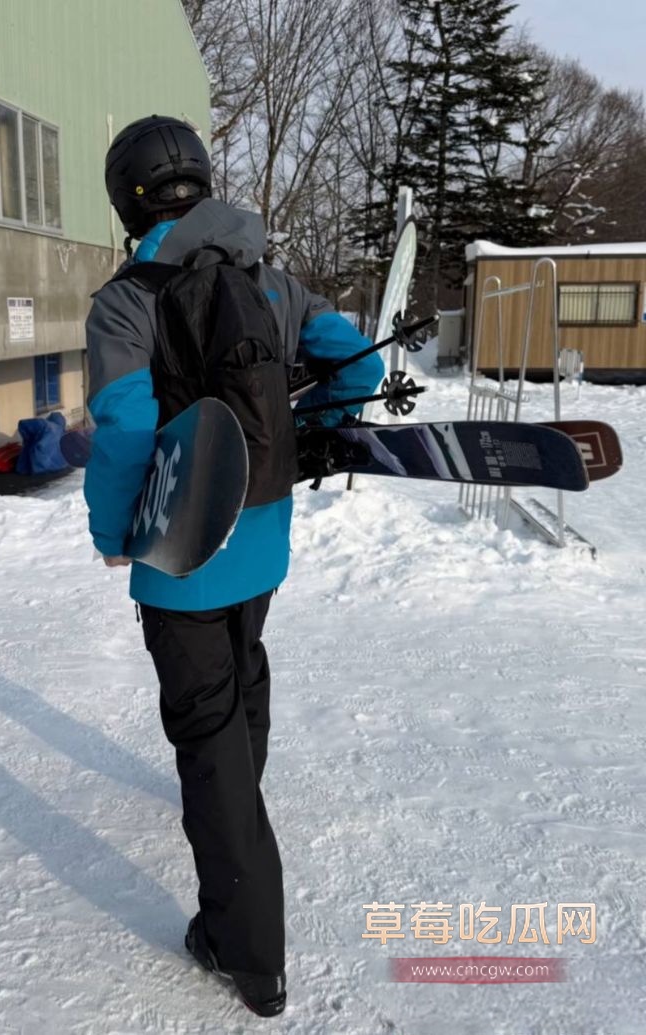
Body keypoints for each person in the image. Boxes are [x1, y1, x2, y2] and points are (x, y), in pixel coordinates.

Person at [83, 114, 384, 1017]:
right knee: (243, 658)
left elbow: (128, 429)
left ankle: (248, 952)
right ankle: (243, 781)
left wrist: (113, 530)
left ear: (126, 199)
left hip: (182, 549)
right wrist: (312, 423)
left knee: (205, 731)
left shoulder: (128, 299)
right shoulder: (271, 277)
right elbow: (352, 366)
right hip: (265, 529)